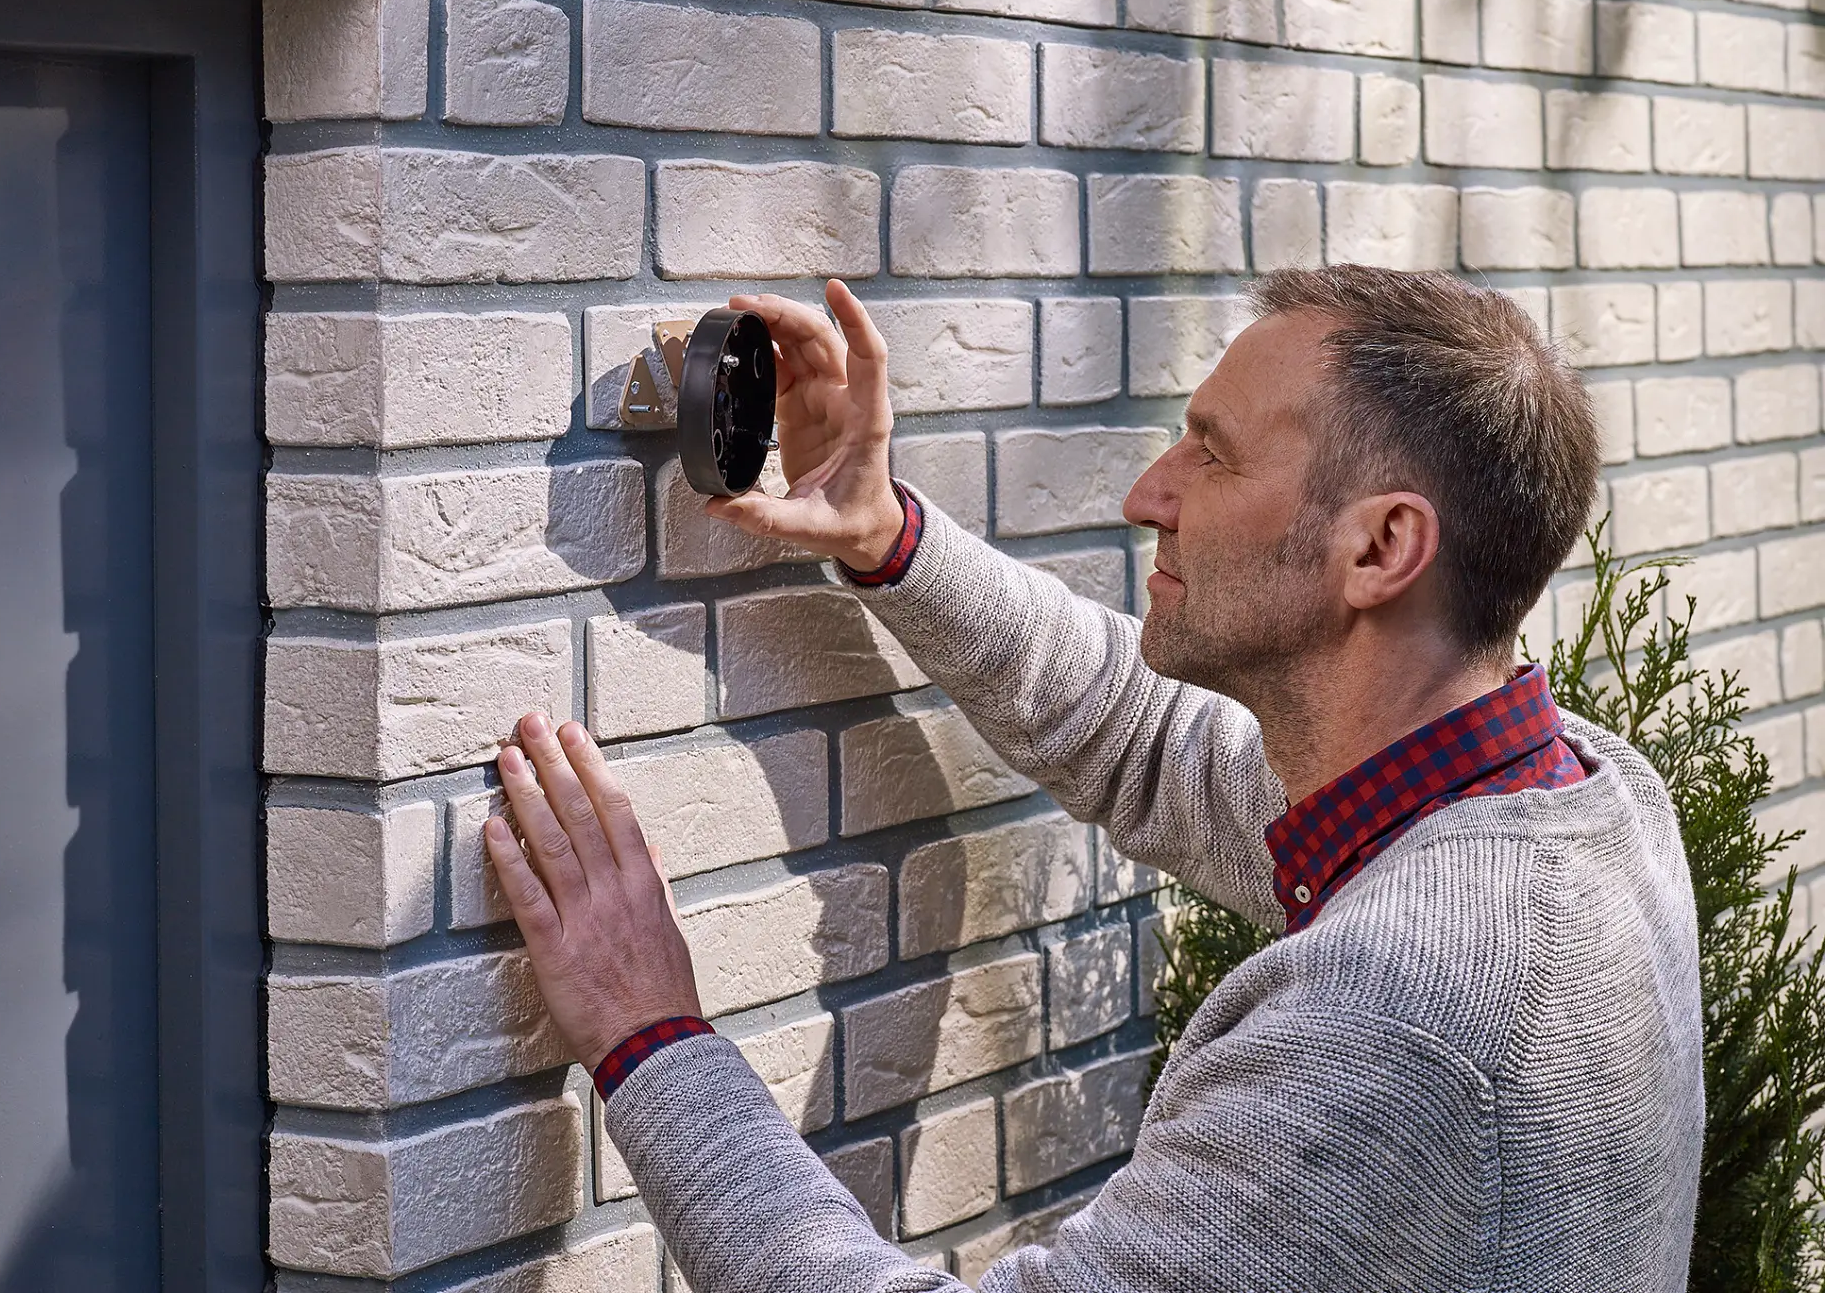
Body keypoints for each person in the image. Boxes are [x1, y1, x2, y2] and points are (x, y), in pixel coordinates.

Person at [483, 266, 1703, 1293]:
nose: (1146, 497)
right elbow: (1143, 738)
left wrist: (650, 1038)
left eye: (1211, 459)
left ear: (1381, 548)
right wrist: (886, 537)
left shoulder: (1399, 1025)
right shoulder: (1582, 802)